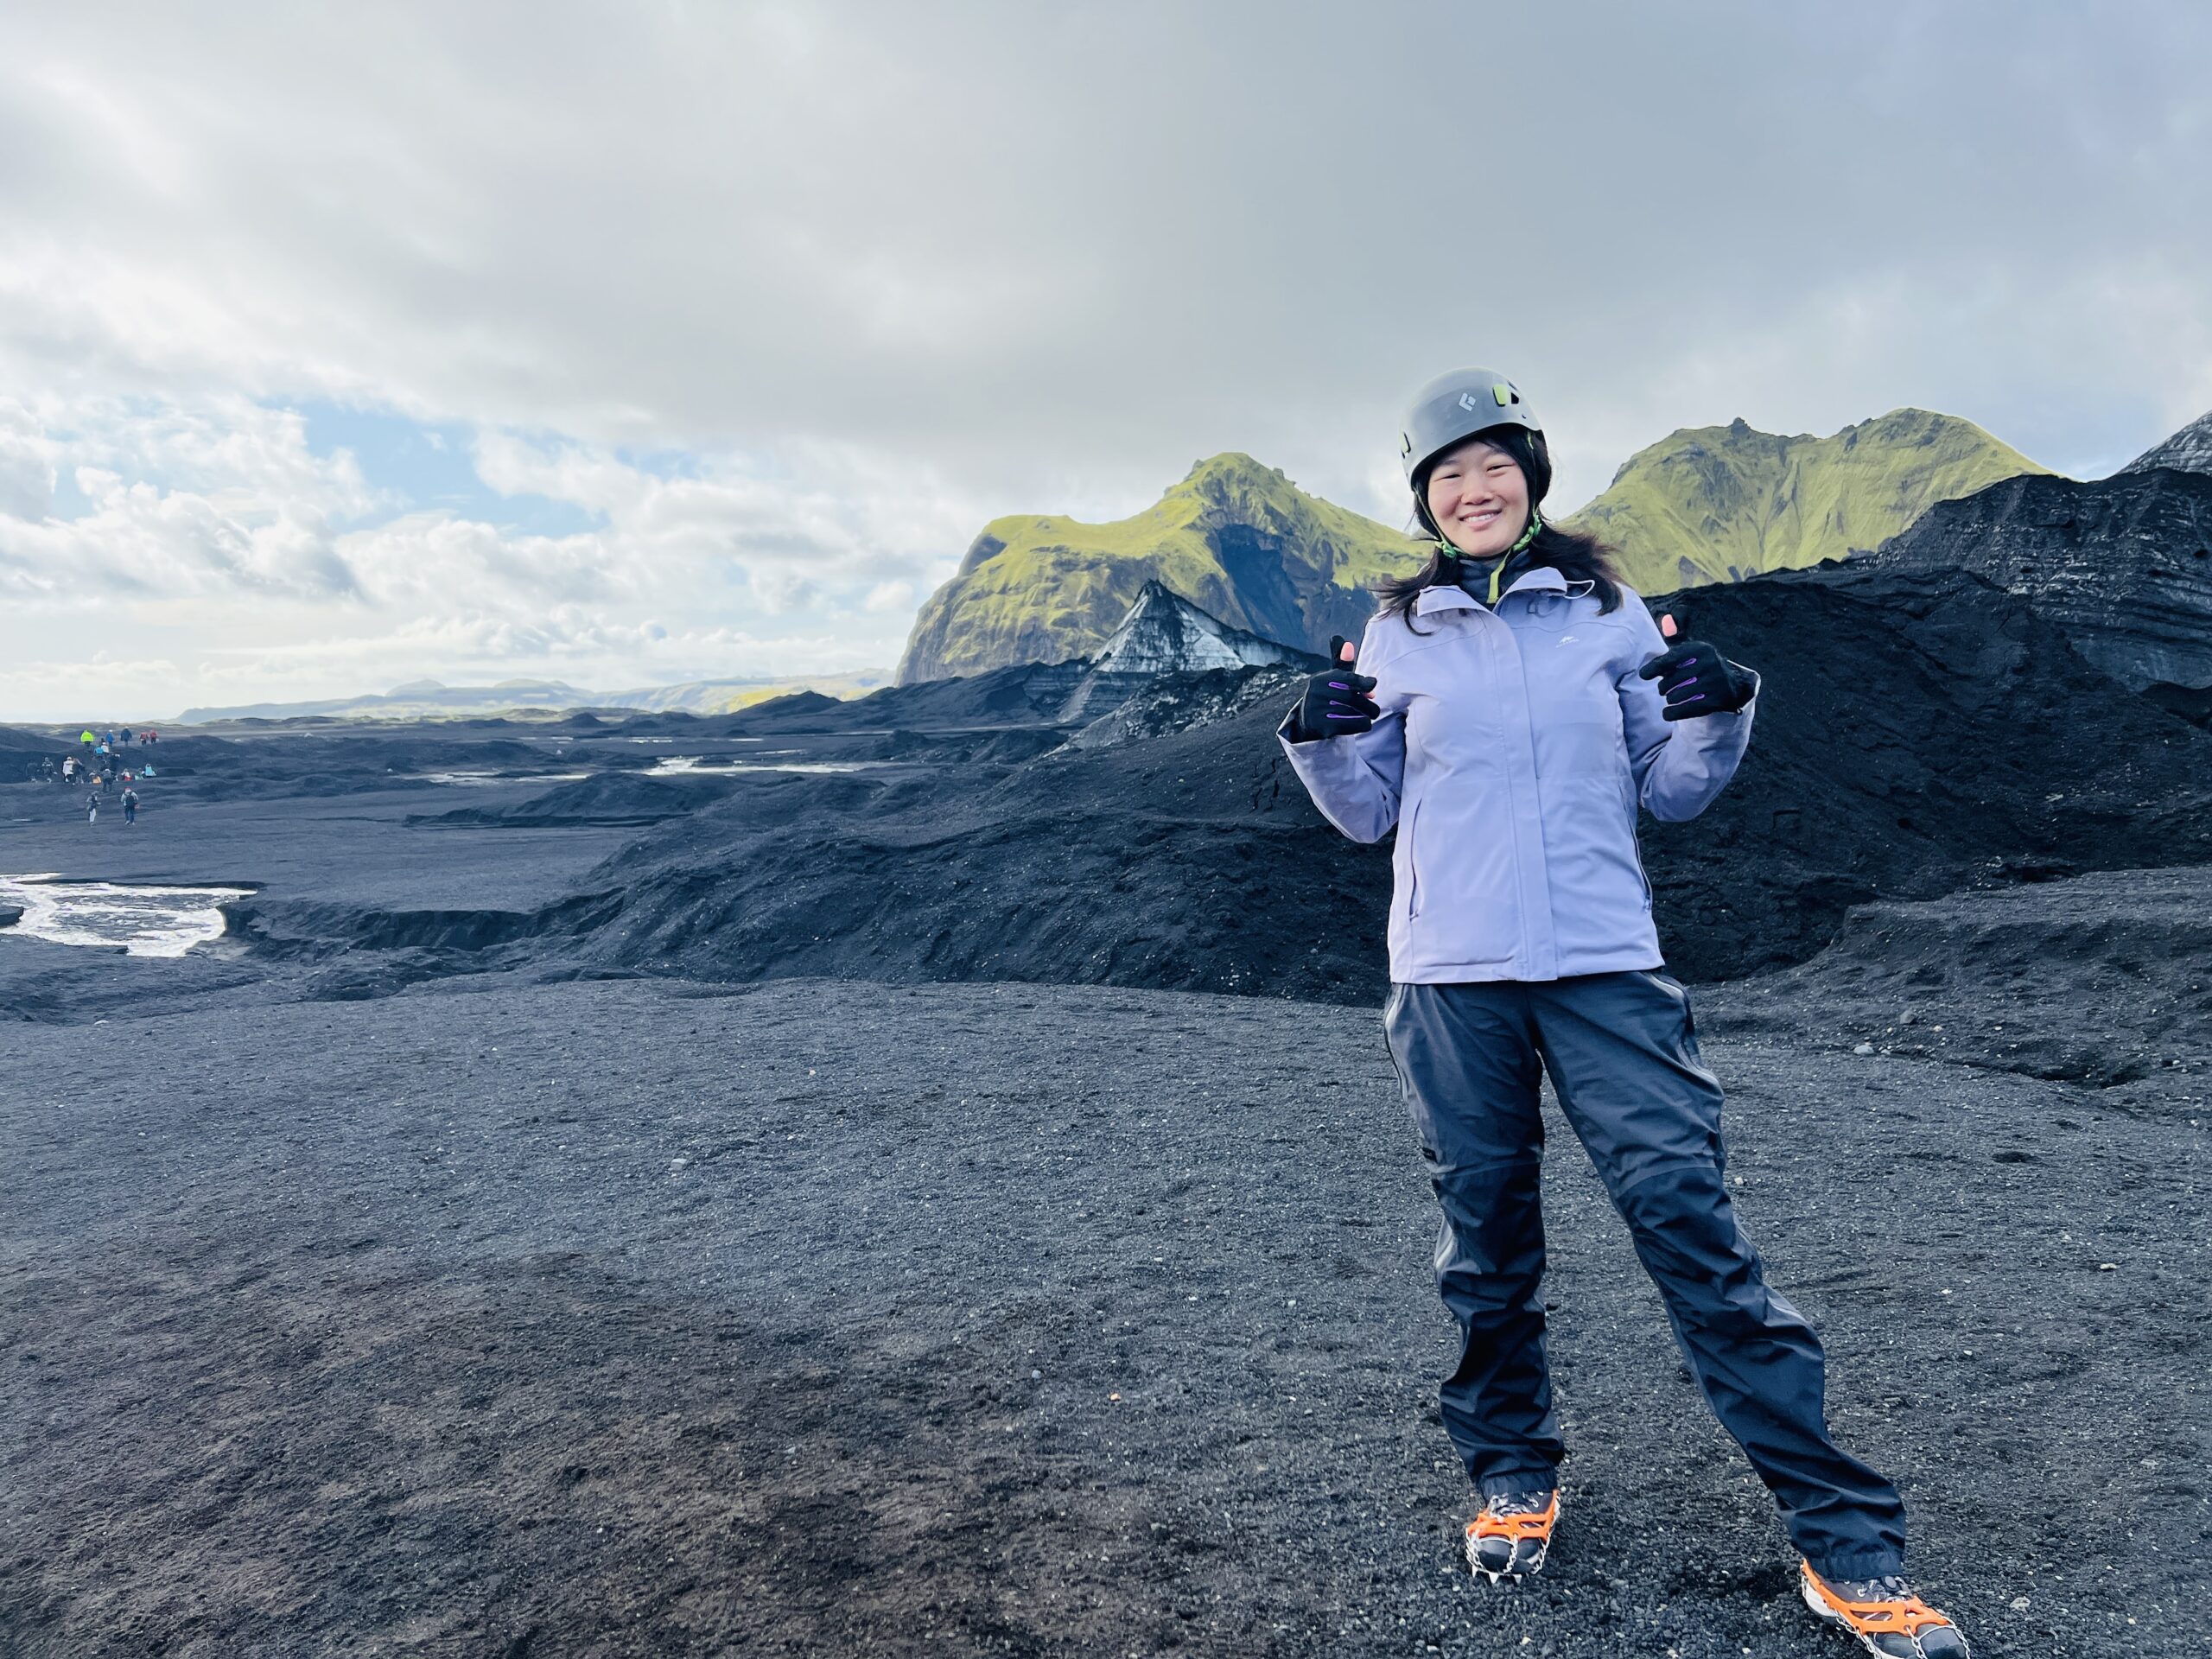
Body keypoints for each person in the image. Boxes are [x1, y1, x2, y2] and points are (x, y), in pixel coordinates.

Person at [1278, 368, 1967, 1658]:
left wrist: (1715, 713)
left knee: (1695, 1234)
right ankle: (1513, 1472)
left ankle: (1846, 1544)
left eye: (1493, 467)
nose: (1472, 490)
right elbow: (1366, 809)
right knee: (1486, 1243)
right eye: (1446, 476)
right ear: (1425, 503)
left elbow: (1679, 789)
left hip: (1605, 965)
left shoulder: (1607, 616)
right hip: (1450, 975)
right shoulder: (1398, 635)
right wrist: (1318, 741)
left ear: (1532, 476)